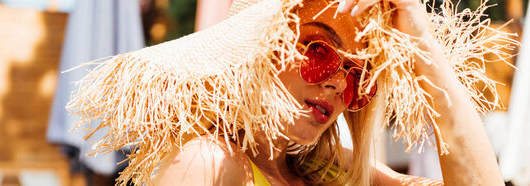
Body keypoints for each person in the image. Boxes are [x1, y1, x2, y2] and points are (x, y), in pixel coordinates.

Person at [67, 0, 514, 185]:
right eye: (318, 49)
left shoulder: (324, 168)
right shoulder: (208, 163)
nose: (339, 82)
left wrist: (421, 40)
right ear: (260, 52)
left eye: (359, 75)